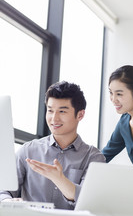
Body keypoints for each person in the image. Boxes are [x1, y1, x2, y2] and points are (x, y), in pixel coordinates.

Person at [0, 81, 106, 209]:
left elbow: (90, 202)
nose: (54, 119)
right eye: (50, 111)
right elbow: (4, 190)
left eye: (62, 111)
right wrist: (7, 201)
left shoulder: (93, 158)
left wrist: (59, 179)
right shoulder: (28, 151)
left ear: (80, 114)